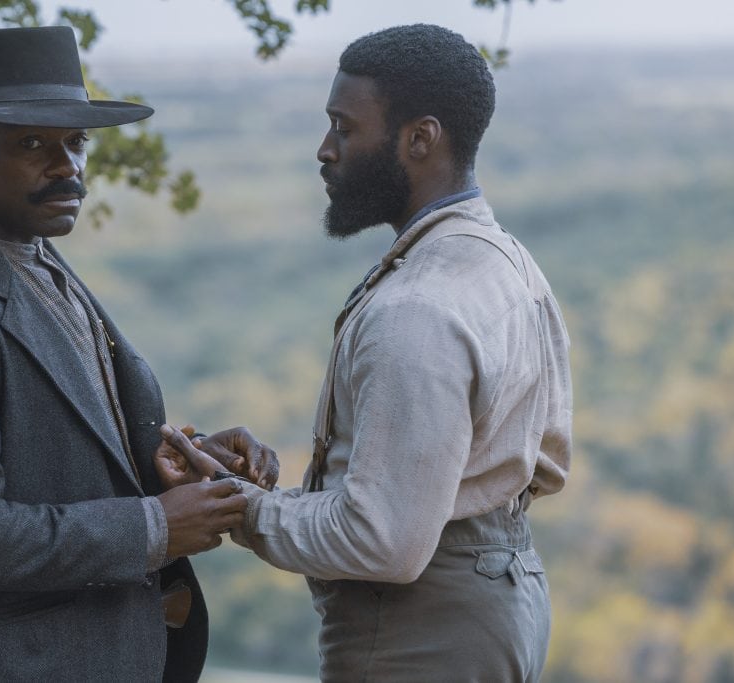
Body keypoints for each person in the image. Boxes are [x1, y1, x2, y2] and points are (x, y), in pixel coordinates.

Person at [159, 24, 572, 682]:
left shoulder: (417, 308)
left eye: (343, 128)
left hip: (420, 631)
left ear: (420, 138)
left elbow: (385, 540)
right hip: (497, 593)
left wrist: (237, 503)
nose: (324, 150)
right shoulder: (507, 264)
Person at [0, 26, 276, 682]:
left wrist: (176, 461)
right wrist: (152, 527)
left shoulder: (28, 248)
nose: (69, 168)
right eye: (33, 142)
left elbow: (66, 436)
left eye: (75, 141)